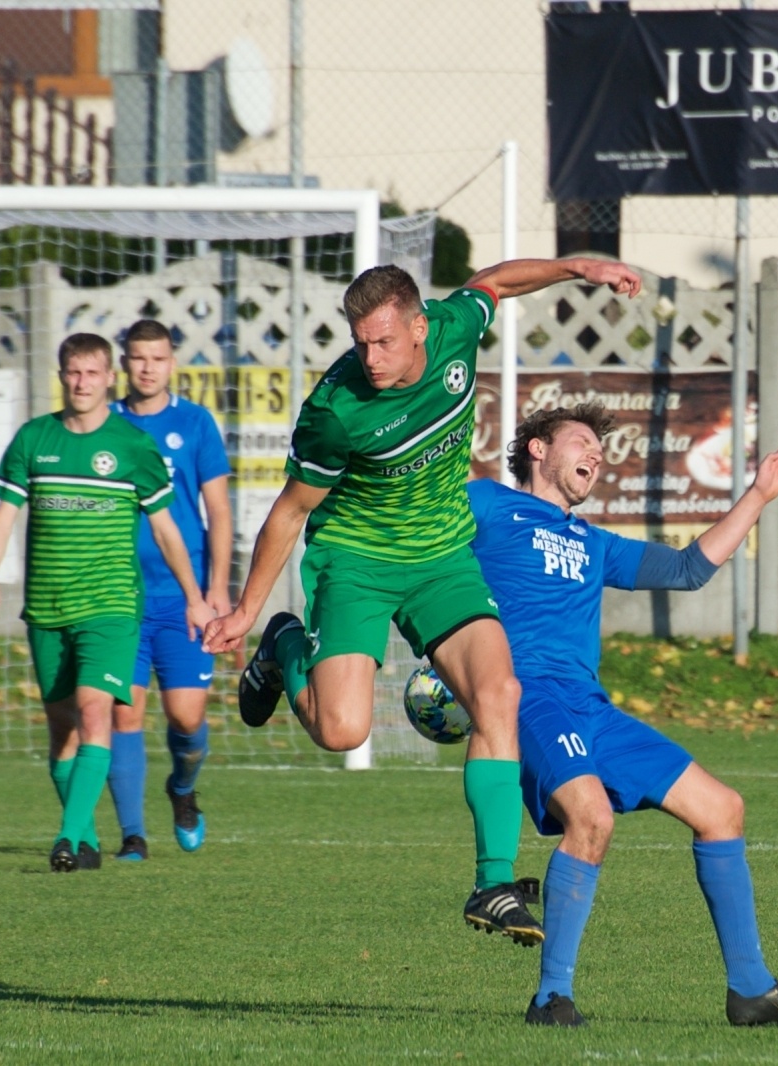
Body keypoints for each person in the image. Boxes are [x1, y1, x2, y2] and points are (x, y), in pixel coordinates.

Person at [202, 259, 641, 944]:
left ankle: (492, 885)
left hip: (442, 559)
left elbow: (494, 283)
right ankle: (284, 645)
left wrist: (574, 267)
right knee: (342, 730)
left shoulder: (455, 331)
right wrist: (247, 610)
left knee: (500, 694)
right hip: (358, 561)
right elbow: (290, 512)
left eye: (383, 342)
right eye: (359, 343)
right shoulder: (335, 410)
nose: (370, 358)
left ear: (418, 327)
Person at [461, 402, 778, 1028]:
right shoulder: (484, 505)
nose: (595, 455)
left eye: (599, 449)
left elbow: (690, 569)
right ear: (536, 449)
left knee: (723, 810)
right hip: (530, 700)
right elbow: (415, 547)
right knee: (592, 818)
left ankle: (751, 989)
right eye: (581, 442)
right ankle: (551, 998)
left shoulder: (592, 541)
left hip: (592, 709)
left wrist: (758, 493)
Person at [0, 333, 212, 872]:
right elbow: (5, 518)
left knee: (95, 711)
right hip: (46, 609)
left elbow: (169, 531)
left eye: (92, 373)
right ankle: (83, 839)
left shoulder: (131, 447)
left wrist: (195, 598)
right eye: (72, 373)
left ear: (110, 378)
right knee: (62, 730)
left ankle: (65, 838)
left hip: (109, 607)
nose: (82, 383)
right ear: (62, 376)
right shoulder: (34, 440)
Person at [106, 320, 234, 861]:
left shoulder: (195, 422)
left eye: (157, 358)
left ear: (172, 362)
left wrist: (217, 590)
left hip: (185, 600)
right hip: (118, 596)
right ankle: (132, 837)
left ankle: (182, 788)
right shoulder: (103, 425)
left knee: (185, 717)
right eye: (137, 358)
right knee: (123, 713)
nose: (147, 368)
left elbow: (218, 511)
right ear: (125, 363)